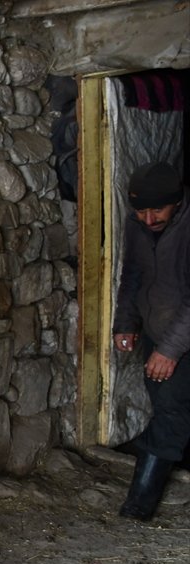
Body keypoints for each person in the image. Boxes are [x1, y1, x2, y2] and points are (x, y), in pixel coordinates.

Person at [113, 161, 190, 521]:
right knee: (166, 405)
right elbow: (133, 274)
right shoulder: (139, 225)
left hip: (181, 338)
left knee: (172, 410)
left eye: (156, 209)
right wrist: (125, 322)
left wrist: (170, 350)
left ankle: (139, 504)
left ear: (177, 201)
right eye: (140, 210)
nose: (148, 219)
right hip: (158, 332)